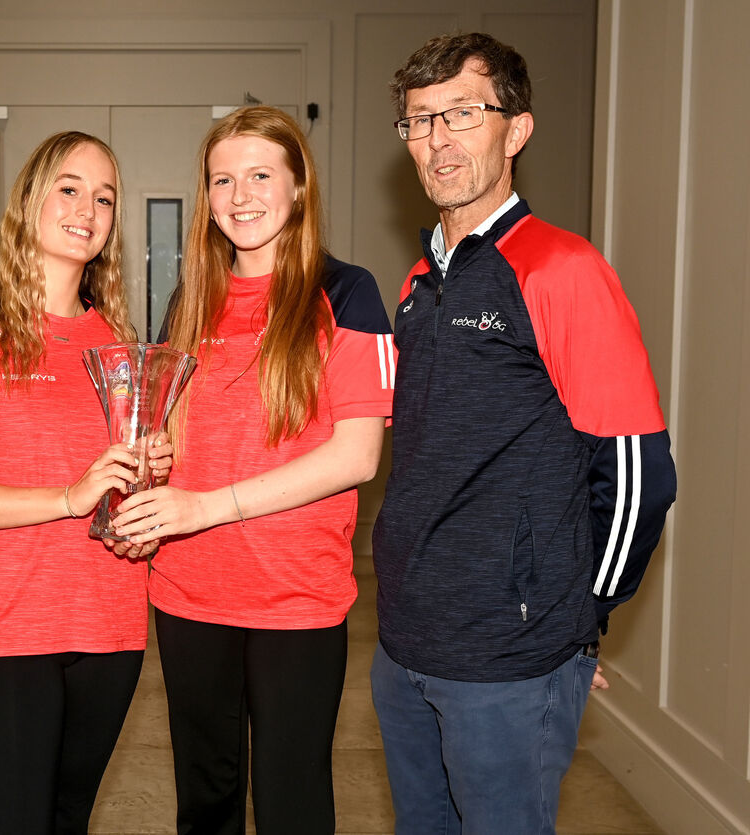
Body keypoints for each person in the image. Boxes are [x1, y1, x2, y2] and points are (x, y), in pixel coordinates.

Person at [371, 32, 678, 834]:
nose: (438, 139)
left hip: (505, 665)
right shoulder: (417, 284)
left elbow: (639, 474)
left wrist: (578, 621)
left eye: (462, 114)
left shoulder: (559, 269)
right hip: (404, 645)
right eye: (419, 119)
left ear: (516, 129)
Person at [110, 106, 395, 833]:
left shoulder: (349, 293)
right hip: (187, 591)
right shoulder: (189, 298)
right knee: (205, 797)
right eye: (222, 179)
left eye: (261, 175)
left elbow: (357, 455)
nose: (240, 196)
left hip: (294, 598)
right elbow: (174, 436)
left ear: (299, 188)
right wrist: (151, 468)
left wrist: (206, 506)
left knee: (291, 796)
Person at [0, 131, 167, 834]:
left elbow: (121, 487)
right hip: (10, 633)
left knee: (68, 821)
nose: (88, 207)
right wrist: (68, 495)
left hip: (112, 629)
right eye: (69, 187)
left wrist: (149, 471)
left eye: (105, 196)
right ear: (28, 200)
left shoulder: (121, 347)